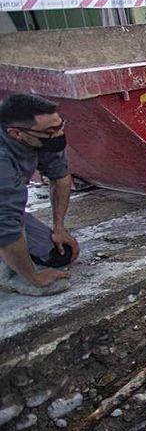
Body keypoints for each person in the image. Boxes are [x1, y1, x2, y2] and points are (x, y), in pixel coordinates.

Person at [0, 94, 79, 297]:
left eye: (60, 126)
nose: (58, 134)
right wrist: (34, 277)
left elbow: (60, 177)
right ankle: (11, 275)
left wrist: (59, 228)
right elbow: (6, 223)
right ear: (16, 133)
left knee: (59, 255)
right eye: (51, 131)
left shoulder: (41, 137)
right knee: (7, 225)